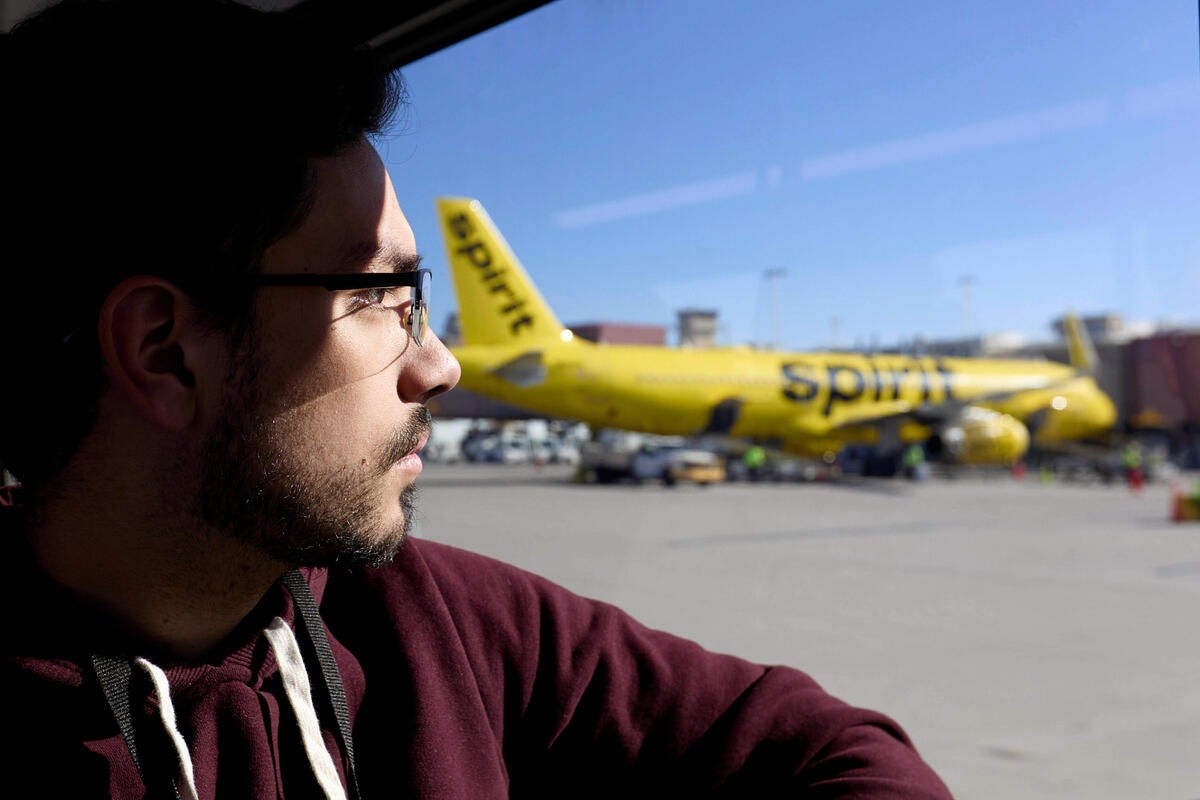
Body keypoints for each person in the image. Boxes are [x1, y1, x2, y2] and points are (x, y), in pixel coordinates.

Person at [0, 2, 952, 797]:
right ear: (166, 351)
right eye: (384, 299)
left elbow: (839, 751)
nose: (441, 366)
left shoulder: (441, 616)